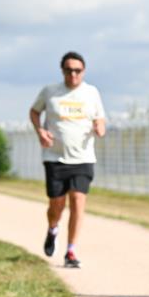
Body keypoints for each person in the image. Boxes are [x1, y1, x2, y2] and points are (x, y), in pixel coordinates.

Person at [29, 51, 106, 268]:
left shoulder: (91, 93)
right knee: (57, 204)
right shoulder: (50, 92)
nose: (73, 74)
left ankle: (70, 251)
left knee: (78, 201)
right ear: (62, 71)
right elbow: (34, 112)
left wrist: (100, 127)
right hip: (55, 157)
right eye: (69, 70)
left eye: (78, 70)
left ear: (84, 71)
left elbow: (100, 118)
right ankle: (53, 228)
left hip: (83, 157)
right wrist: (40, 132)